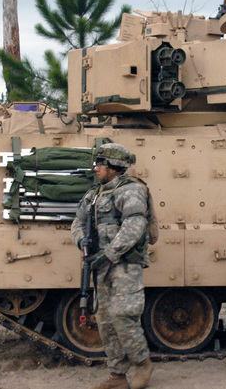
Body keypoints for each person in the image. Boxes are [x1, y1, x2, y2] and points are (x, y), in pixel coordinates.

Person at [71, 143, 154, 389]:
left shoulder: (131, 190)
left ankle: (142, 364)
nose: (96, 168)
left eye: (100, 164)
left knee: (124, 316)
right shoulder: (94, 195)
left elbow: (135, 226)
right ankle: (118, 376)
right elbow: (77, 222)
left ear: (114, 167)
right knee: (105, 320)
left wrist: (109, 253)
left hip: (124, 265)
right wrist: (81, 242)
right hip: (100, 266)